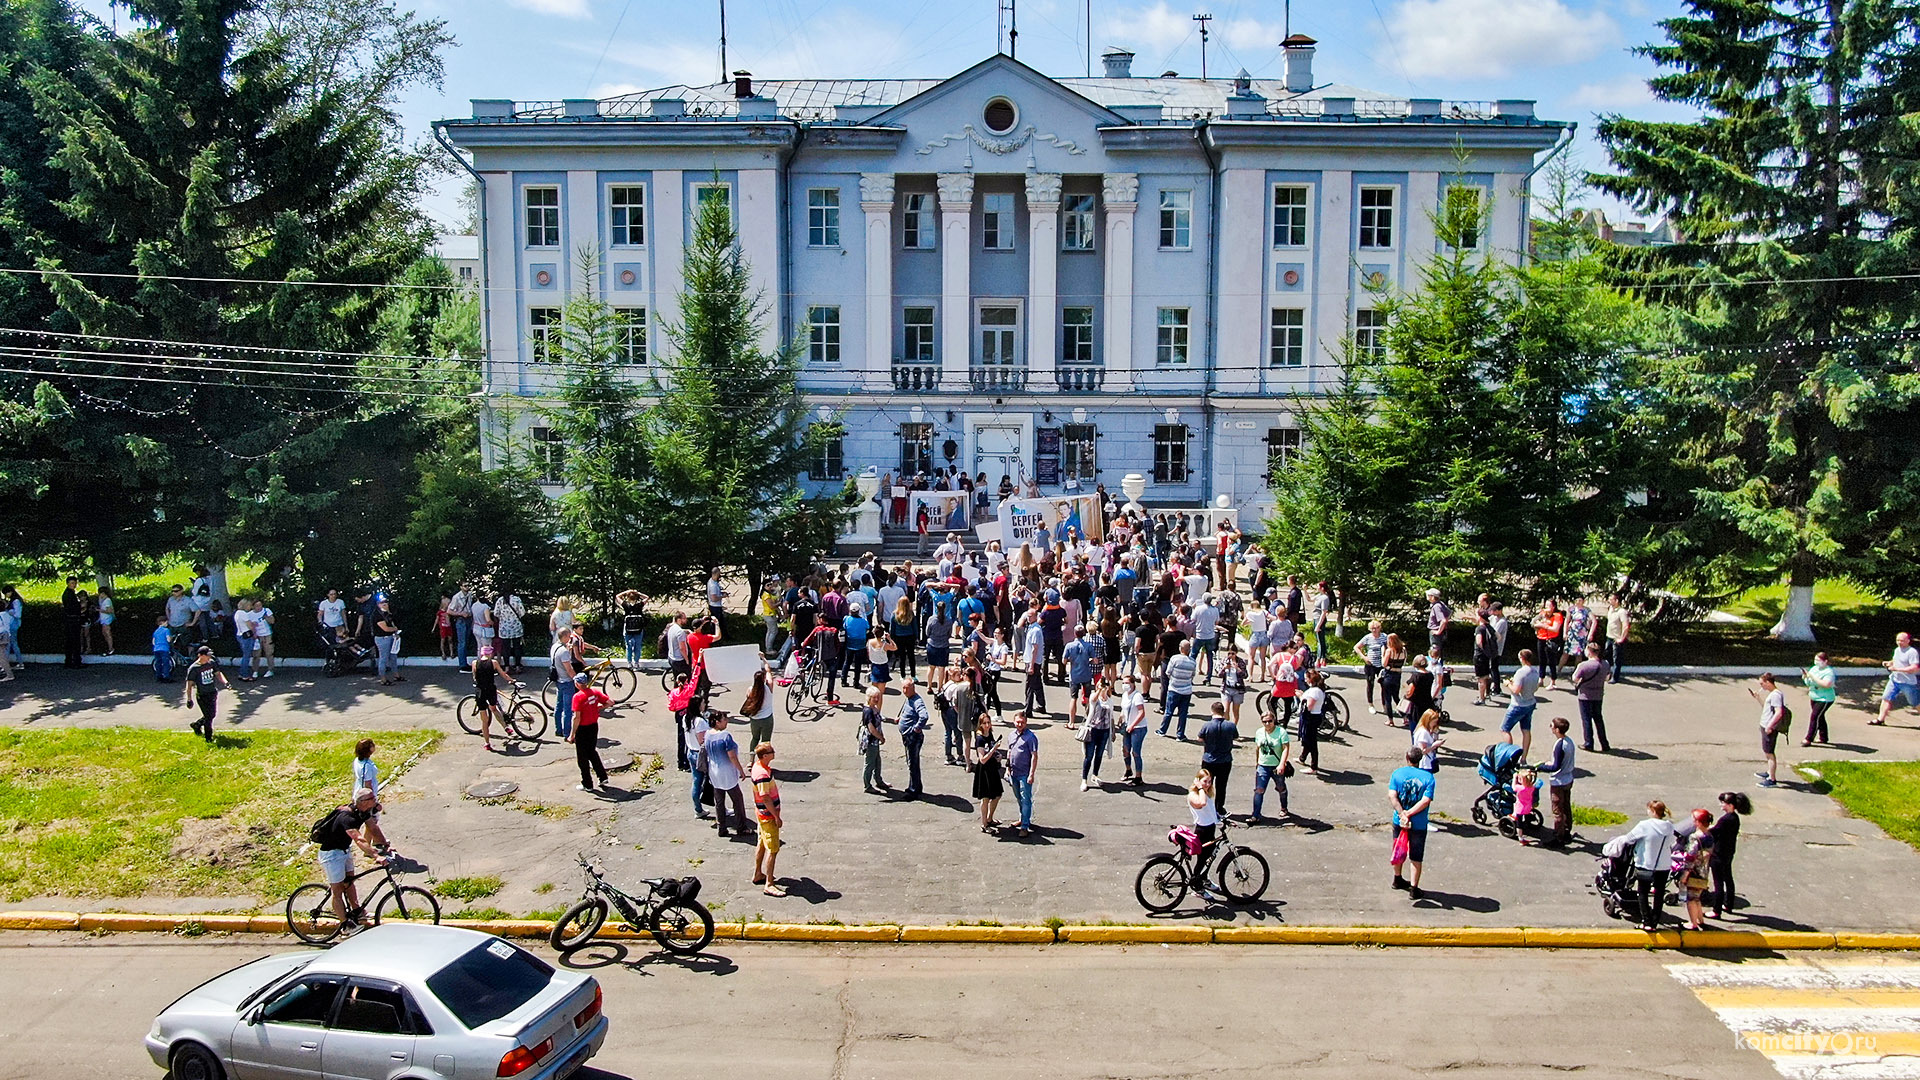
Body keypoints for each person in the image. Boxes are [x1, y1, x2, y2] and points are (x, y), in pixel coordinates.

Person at [314, 788, 383, 931]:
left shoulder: (361, 812)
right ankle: (345, 925)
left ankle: (357, 911)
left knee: (350, 882)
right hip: (331, 855)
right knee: (337, 890)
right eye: (372, 799)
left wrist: (386, 845)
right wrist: (375, 855)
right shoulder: (347, 817)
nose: (375, 801)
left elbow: (373, 828)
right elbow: (358, 839)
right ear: (363, 802)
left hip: (344, 851)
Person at [1615, 801, 1677, 931]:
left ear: (1653, 811)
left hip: (1645, 863)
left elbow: (1628, 838)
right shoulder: (1669, 827)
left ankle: (1646, 922)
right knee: (1659, 893)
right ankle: (1655, 921)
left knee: (1642, 892)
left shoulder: (1644, 825)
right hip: (1664, 865)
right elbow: (1672, 842)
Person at [1388, 747, 1437, 900]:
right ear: (1420, 760)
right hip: (1419, 823)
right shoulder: (1428, 778)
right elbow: (1425, 800)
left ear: (1407, 758)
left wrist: (1402, 812)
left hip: (1400, 820)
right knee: (1416, 855)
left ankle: (1397, 878)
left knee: (1399, 849)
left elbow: (1392, 796)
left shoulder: (1397, 774)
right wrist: (1410, 813)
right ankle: (1414, 888)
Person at [1708, 791, 1751, 918]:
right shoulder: (1734, 818)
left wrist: (1704, 830)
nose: (1721, 805)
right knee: (1728, 879)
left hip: (1719, 854)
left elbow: (1714, 833)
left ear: (1730, 805)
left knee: (1718, 882)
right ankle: (1728, 904)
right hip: (1728, 852)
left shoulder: (1725, 820)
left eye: (1723, 803)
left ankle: (1716, 910)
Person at [750, 743, 786, 896]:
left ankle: (758, 873)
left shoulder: (757, 767)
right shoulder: (763, 774)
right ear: (765, 756)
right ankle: (769, 883)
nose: (774, 753)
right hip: (767, 816)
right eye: (771, 752)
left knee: (762, 843)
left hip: (761, 814)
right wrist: (776, 816)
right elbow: (765, 797)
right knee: (773, 849)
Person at [704, 712, 747, 835]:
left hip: (714, 772)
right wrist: (741, 770)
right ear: (718, 722)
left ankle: (721, 827)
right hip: (727, 772)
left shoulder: (707, 734)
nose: (727, 721)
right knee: (737, 800)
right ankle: (741, 827)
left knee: (719, 801)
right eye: (724, 719)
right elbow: (732, 756)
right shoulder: (725, 736)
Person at [350, 739, 394, 853]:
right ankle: (368, 849)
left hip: (361, 795)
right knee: (372, 821)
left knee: (372, 821)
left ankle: (376, 841)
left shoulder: (359, 761)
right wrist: (373, 802)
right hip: (366, 798)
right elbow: (367, 785)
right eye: (372, 745)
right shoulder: (367, 767)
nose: (374, 746)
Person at [1537, 717, 1576, 847]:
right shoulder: (1569, 741)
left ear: (1557, 730)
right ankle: (1566, 831)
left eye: (1552, 726)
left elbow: (1555, 767)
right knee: (1566, 807)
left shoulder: (1560, 744)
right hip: (1568, 778)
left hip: (1558, 781)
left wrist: (1541, 767)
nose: (1551, 728)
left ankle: (1558, 838)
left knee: (1557, 810)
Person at [569, 673, 612, 793]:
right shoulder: (594, 692)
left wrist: (572, 734)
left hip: (582, 729)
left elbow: (576, 717)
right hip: (594, 726)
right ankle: (602, 777)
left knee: (582, 758)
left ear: (577, 684)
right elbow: (610, 702)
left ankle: (587, 783)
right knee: (592, 752)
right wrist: (597, 708)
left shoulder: (577, 697)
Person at [180, 646, 232, 742]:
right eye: (207, 655)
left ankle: (197, 724)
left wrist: (226, 682)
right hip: (202, 695)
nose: (209, 657)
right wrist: (189, 699)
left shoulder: (211, 663)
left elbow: (218, 674)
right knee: (209, 717)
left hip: (212, 692)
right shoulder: (194, 668)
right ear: (200, 655)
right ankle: (208, 738)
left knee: (212, 714)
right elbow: (189, 685)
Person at [1676, 809, 1716, 931]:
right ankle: (1700, 920)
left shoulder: (1694, 837)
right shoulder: (1710, 836)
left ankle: (1693, 923)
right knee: (1697, 897)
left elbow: (1690, 857)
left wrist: (1685, 875)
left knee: (1691, 899)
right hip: (1704, 871)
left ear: (1698, 822)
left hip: (1694, 872)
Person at [1570, 642, 1611, 752]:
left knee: (1586, 719)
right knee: (1598, 719)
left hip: (1585, 696)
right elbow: (1607, 677)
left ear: (1589, 651)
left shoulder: (1584, 665)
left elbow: (1575, 678)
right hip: (1598, 695)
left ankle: (1589, 743)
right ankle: (1604, 743)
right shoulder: (1605, 664)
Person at [1749, 672, 1788, 787]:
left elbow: (1779, 713)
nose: (1761, 686)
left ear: (1768, 682)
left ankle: (1772, 779)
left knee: (1769, 753)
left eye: (1762, 683)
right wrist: (1758, 698)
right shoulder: (1772, 694)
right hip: (1765, 725)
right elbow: (1767, 708)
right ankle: (1769, 772)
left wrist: (1770, 726)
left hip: (1769, 728)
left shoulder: (1776, 695)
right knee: (1767, 752)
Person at [1251, 710, 1291, 821]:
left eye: (1270, 721)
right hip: (1263, 765)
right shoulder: (1259, 732)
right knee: (1259, 790)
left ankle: (1284, 807)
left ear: (1274, 720)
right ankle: (1255, 814)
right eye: (1265, 722)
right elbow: (1258, 748)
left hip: (1276, 766)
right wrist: (1257, 762)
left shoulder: (1281, 732)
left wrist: (1282, 764)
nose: (1267, 724)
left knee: (1281, 787)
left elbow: (1286, 748)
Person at [1187, 769, 1224, 889]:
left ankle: (1204, 879)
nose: (1207, 784)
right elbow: (1202, 803)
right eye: (1204, 781)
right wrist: (1200, 788)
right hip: (1202, 830)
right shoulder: (1194, 794)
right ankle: (1196, 887)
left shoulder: (1206, 793)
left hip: (1210, 828)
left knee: (1210, 856)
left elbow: (1210, 811)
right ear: (1198, 781)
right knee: (1202, 860)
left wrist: (1220, 819)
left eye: (1210, 782)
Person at [1502, 648, 1540, 759]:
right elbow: (1535, 687)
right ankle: (1523, 758)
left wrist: (1507, 684)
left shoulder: (1521, 672)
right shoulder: (1534, 671)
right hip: (1530, 703)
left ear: (1522, 658)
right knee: (1526, 730)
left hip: (1518, 705)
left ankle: (1509, 757)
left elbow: (1516, 690)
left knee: (1505, 729)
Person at [1874, 631, 1919, 725]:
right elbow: (1895, 660)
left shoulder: (1912, 652)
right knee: (1886, 698)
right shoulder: (1897, 650)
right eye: (1897, 640)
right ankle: (1880, 719)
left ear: (1908, 641)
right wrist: (1890, 663)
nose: (1899, 642)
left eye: (1902, 640)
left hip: (1907, 682)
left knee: (1915, 703)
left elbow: (1914, 668)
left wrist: (1897, 669)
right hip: (1894, 680)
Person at [1006, 711, 1040, 836]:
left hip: (1024, 773)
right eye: (1018, 722)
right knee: (1018, 797)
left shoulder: (1031, 737)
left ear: (1026, 723)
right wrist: (1007, 768)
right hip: (1013, 772)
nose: (1020, 724)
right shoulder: (1011, 735)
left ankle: (1025, 826)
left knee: (1026, 799)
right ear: (1014, 722)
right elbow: (1010, 752)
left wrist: (1031, 774)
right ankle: (1022, 818)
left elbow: (1034, 756)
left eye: (1022, 722)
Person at [971, 713, 1005, 833]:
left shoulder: (989, 734)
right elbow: (982, 759)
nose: (987, 725)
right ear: (980, 724)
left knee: (997, 795)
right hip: (984, 770)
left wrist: (998, 755)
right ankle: (984, 824)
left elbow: (991, 749)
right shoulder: (980, 738)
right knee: (985, 798)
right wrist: (993, 750)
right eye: (984, 723)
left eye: (988, 723)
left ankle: (990, 818)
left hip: (992, 768)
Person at [897, 678, 929, 798]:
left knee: (913, 763)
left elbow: (924, 716)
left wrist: (916, 729)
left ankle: (913, 790)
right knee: (912, 762)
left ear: (913, 688)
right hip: (907, 736)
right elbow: (908, 712)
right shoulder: (909, 699)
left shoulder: (917, 701)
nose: (904, 691)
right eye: (903, 688)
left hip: (913, 737)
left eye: (907, 688)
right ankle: (916, 786)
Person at [1160, 640, 1198, 740]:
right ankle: (1180, 735)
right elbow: (1192, 675)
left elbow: (1168, 672)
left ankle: (1162, 730)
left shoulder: (1174, 659)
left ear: (1180, 648)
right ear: (1189, 650)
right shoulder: (1192, 662)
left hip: (1174, 689)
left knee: (1169, 712)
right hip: (1187, 691)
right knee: (1183, 714)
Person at [472, 646, 506, 752]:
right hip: (490, 690)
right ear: (490, 654)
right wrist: (511, 680)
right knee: (494, 708)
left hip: (480, 691)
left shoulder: (474, 663)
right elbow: (502, 674)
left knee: (484, 720)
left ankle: (487, 743)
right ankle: (505, 727)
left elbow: (474, 676)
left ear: (481, 654)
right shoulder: (494, 663)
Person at [1081, 685, 1113, 791]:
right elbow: (1093, 700)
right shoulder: (1094, 697)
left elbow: (1111, 717)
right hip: (1092, 730)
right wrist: (1099, 690)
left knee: (1099, 755)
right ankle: (1084, 779)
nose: (1103, 688)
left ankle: (1095, 775)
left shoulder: (1109, 701)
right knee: (1089, 756)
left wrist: (1112, 732)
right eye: (1099, 686)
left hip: (1104, 731)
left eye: (1104, 686)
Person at [549, 628, 579, 740]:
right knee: (568, 709)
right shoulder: (564, 652)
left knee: (558, 706)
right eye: (569, 636)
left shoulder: (555, 647)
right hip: (566, 682)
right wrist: (576, 679)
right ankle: (567, 733)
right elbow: (569, 669)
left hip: (558, 680)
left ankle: (558, 729)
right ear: (565, 636)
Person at [1118, 675, 1148, 786]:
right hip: (1127, 726)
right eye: (1123, 683)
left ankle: (1138, 777)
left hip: (1138, 728)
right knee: (1125, 750)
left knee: (1136, 752)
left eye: (1127, 683)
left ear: (1133, 684)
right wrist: (1121, 718)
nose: (1125, 685)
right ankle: (1128, 769)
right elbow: (1123, 709)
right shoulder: (1125, 695)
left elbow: (1141, 713)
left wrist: (1133, 725)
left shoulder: (1137, 696)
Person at [1802, 651, 1836, 746]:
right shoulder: (1814, 669)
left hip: (1825, 699)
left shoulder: (1829, 672)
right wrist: (1805, 677)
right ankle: (1823, 737)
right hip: (1814, 697)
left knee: (1815, 716)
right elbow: (1809, 682)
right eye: (1815, 660)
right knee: (1820, 717)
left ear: (1825, 661)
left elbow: (1826, 684)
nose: (1816, 662)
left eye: (1818, 660)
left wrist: (1813, 677)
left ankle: (1808, 738)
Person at [859, 688, 888, 793]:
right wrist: (880, 737)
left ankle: (879, 781)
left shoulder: (874, 708)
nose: (876, 699)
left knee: (877, 762)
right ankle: (867, 785)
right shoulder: (868, 711)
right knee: (870, 763)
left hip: (875, 741)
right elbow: (871, 729)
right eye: (874, 697)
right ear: (869, 698)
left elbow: (878, 723)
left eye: (878, 697)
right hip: (871, 741)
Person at [1532, 600, 1565, 690]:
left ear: (1554, 606)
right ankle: (1541, 678)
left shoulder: (1557, 616)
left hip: (1551, 639)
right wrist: (1539, 624)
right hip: (1541, 638)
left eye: (1549, 605)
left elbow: (1555, 629)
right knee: (1541, 660)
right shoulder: (1542, 613)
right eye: (1546, 605)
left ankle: (1553, 681)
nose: (1546, 607)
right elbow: (1534, 622)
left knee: (1551, 661)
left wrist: (1543, 625)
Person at [1355, 620, 1387, 714]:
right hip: (1370, 665)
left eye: (1376, 628)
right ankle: (1371, 704)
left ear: (1379, 628)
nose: (1374, 630)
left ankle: (1385, 705)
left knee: (1384, 685)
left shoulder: (1384, 637)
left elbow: (1389, 647)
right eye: (1372, 629)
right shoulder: (1368, 638)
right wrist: (1364, 657)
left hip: (1381, 665)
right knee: (1370, 684)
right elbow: (1356, 647)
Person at [371, 597, 402, 686]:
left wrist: (395, 632)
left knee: (393, 656)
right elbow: (386, 628)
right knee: (383, 658)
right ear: (378, 604)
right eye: (382, 603)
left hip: (390, 637)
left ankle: (396, 675)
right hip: (382, 638)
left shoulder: (386, 613)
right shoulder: (377, 615)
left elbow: (392, 622)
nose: (384, 604)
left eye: (385, 602)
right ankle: (383, 679)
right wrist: (395, 629)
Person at [742, 667, 776, 750]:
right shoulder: (768, 688)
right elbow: (768, 671)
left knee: (755, 738)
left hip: (755, 719)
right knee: (766, 741)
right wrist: (763, 659)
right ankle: (762, 760)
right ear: (764, 679)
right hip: (767, 719)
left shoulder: (750, 690)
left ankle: (751, 759)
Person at [494, 589, 526, 674]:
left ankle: (507, 667)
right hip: (516, 627)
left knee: (505, 648)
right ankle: (518, 666)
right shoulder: (517, 599)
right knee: (517, 647)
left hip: (504, 628)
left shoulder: (500, 600)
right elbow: (522, 612)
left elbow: (496, 613)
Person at [618, 590, 650, 666]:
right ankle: (636, 662)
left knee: (628, 646)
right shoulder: (639, 605)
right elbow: (647, 597)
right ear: (636, 597)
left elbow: (617, 596)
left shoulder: (626, 605)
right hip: (638, 629)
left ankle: (629, 663)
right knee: (637, 646)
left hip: (628, 629)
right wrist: (638, 593)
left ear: (628, 597)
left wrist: (627, 592)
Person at [1603, 595, 1630, 683]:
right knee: (1607, 656)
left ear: (1617, 601)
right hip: (1609, 637)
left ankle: (1615, 677)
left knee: (1616, 659)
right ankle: (1607, 674)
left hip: (1616, 639)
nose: (1609, 601)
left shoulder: (1622, 612)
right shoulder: (1610, 609)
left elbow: (1625, 626)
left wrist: (1621, 638)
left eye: (1611, 600)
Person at [60, 576, 84, 668]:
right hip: (72, 620)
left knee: (71, 641)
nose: (73, 585)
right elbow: (72, 608)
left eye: (74, 583)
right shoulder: (68, 595)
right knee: (74, 641)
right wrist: (80, 606)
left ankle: (70, 661)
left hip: (71, 620)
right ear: (68, 584)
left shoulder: (71, 593)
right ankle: (75, 661)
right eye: (72, 583)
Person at [1412, 708, 1444, 773]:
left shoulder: (1421, 729)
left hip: (1424, 763)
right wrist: (1434, 745)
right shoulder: (1423, 732)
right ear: (1428, 721)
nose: (1435, 724)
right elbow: (1423, 751)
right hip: (1425, 764)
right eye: (1434, 722)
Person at [448, 584, 473, 669]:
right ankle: (462, 664)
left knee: (466, 641)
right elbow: (449, 611)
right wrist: (460, 613)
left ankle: (465, 663)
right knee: (462, 642)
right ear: (461, 587)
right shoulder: (457, 597)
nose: (467, 587)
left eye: (468, 585)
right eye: (465, 586)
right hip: (461, 619)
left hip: (469, 618)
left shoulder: (470, 595)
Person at [1425, 588, 1452, 654]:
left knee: (1435, 650)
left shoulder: (1436, 607)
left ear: (1433, 597)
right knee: (1439, 650)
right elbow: (1449, 613)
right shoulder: (1440, 604)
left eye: (1429, 595)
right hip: (1441, 632)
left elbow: (1443, 620)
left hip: (1436, 633)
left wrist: (1438, 631)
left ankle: (1435, 663)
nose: (1427, 596)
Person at [150, 614, 175, 682]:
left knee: (158, 663)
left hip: (156, 649)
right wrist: (171, 637)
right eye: (166, 622)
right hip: (164, 648)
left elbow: (153, 642)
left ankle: (158, 676)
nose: (167, 624)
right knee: (166, 663)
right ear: (163, 622)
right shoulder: (166, 630)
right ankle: (166, 677)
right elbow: (168, 640)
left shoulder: (156, 631)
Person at [94, 584, 115, 656]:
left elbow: (110, 611)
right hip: (103, 619)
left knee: (107, 633)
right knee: (104, 633)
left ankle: (111, 648)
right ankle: (108, 647)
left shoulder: (107, 601)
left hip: (107, 619)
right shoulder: (103, 601)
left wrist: (99, 610)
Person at [435, 595, 454, 661]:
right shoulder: (440, 612)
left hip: (448, 627)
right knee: (443, 640)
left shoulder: (449, 612)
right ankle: (443, 653)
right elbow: (436, 620)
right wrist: (434, 628)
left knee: (450, 640)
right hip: (443, 628)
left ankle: (451, 652)